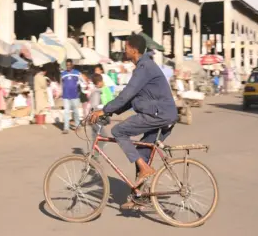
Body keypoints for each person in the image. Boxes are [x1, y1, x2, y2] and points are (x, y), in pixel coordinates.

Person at [90, 34, 178, 209]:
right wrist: (111, 111)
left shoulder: (144, 67)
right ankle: (140, 195)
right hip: (162, 114)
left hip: (158, 114)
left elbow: (127, 94)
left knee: (118, 132)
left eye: (126, 47)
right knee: (141, 153)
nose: (124, 50)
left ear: (133, 49)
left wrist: (105, 110)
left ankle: (144, 171)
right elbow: (131, 100)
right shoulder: (144, 66)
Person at [89, 73, 114, 159]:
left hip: (99, 117)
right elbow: (94, 105)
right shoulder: (96, 91)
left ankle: (94, 156)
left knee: (98, 138)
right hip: (95, 118)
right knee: (99, 138)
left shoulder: (104, 90)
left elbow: (109, 102)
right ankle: (94, 156)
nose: (97, 85)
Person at [61, 59, 81, 134]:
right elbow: (62, 83)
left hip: (75, 96)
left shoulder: (77, 73)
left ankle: (77, 125)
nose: (68, 66)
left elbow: (81, 82)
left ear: (72, 65)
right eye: (67, 65)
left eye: (69, 65)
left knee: (76, 111)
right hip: (66, 96)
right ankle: (66, 128)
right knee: (66, 112)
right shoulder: (63, 74)